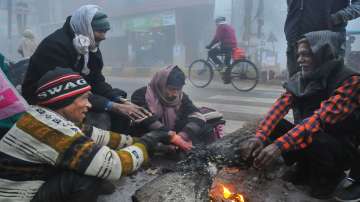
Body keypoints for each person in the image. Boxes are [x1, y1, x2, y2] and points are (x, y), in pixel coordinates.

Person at [0, 67, 173, 202]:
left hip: (31, 185)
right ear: (64, 101)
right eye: (83, 98)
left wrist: (153, 145)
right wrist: (146, 143)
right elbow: (113, 166)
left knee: (91, 165)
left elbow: (101, 137)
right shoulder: (50, 130)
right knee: (88, 178)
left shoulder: (43, 116)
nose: (89, 105)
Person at [240, 31, 360, 200]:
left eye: (306, 55)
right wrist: (259, 137)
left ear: (323, 53)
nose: (300, 60)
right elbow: (279, 108)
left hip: (337, 148)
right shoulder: (301, 78)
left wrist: (278, 146)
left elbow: (318, 120)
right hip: (310, 140)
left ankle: (330, 177)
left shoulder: (350, 80)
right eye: (299, 55)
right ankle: (304, 166)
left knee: (315, 136)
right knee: (276, 125)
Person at [22, 5, 149, 133]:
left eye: (105, 32)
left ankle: (117, 146)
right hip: (49, 98)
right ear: (86, 28)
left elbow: (96, 80)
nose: (104, 36)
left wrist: (121, 101)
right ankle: (91, 150)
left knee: (122, 106)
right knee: (100, 118)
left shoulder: (90, 45)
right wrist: (112, 106)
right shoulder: (55, 46)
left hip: (77, 93)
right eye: (100, 31)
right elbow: (68, 90)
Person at [131, 65, 207, 150]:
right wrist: (173, 138)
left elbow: (198, 116)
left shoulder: (181, 97)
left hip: (174, 137)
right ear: (161, 84)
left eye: (178, 89)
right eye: (171, 89)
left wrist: (182, 136)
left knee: (204, 127)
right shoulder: (141, 95)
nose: (175, 94)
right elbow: (148, 120)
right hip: (149, 137)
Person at [285, 0, 360, 77]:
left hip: (326, 41)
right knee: (294, 85)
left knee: (329, 84)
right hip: (294, 40)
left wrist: (339, 17)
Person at [206, 16, 237, 84]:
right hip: (233, 46)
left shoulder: (221, 27)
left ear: (218, 22)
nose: (216, 25)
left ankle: (220, 65)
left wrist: (210, 45)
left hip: (226, 46)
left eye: (216, 23)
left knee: (211, 53)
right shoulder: (229, 26)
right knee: (227, 63)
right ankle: (227, 79)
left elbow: (217, 38)